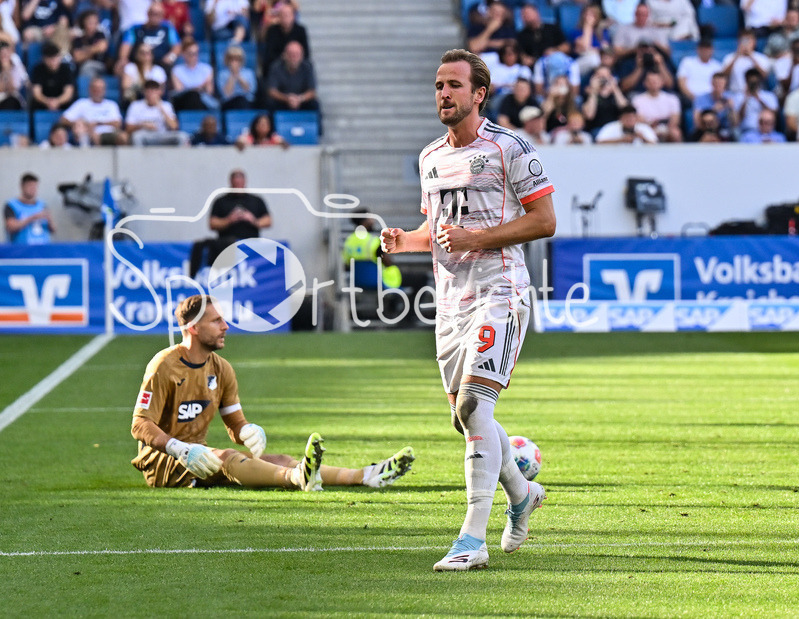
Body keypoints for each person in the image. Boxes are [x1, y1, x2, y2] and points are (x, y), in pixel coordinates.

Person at [380, 49, 553, 572]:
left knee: (475, 409)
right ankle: (522, 494)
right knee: (465, 418)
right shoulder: (430, 156)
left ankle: (470, 539)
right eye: (438, 85)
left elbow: (544, 220)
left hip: (501, 289)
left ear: (479, 94)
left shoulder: (509, 148)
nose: (444, 94)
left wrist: (479, 236)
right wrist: (405, 241)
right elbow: (437, 230)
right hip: (450, 303)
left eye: (454, 85)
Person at [131, 294, 416, 490]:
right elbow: (140, 424)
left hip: (199, 454)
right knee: (228, 457)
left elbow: (235, 424)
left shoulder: (221, 368)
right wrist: (178, 448)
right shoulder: (164, 366)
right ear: (192, 328)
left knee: (276, 460)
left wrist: (247, 431)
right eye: (216, 321)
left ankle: (364, 476)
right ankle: (296, 479)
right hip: (165, 463)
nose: (225, 326)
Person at [189, 169, 272, 277]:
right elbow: (212, 223)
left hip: (251, 245)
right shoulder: (221, 201)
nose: (238, 185)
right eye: (235, 183)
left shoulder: (256, 200)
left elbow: (268, 221)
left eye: (240, 182)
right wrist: (229, 220)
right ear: (231, 182)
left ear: (245, 182)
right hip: (227, 244)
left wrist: (252, 220)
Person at [60, 76, 127, 146]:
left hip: (110, 133)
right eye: (95, 88)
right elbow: (64, 120)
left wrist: (98, 123)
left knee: (123, 137)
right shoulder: (81, 103)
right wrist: (81, 124)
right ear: (90, 89)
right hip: (89, 133)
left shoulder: (112, 105)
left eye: (100, 89)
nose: (98, 91)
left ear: (104, 90)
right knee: (92, 136)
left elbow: (117, 123)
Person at [125, 80, 189, 146]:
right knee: (136, 137)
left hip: (163, 135)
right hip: (145, 136)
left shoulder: (166, 105)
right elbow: (128, 129)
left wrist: (161, 108)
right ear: (144, 92)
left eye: (153, 92)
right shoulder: (135, 105)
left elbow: (174, 127)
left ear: (159, 92)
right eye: (148, 92)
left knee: (182, 137)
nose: (151, 95)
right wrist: (142, 125)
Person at [265, 41, 319, 111]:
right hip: (282, 100)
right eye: (291, 54)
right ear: (284, 55)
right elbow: (272, 91)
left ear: (302, 56)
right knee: (270, 104)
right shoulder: (276, 67)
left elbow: (312, 91)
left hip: (301, 100)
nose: (294, 58)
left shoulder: (307, 67)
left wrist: (300, 99)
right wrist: (287, 98)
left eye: (297, 55)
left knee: (314, 105)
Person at [4, 172, 55, 244]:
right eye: (30, 186)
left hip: (43, 250)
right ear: (22, 186)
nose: (33, 189)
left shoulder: (42, 205)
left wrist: (49, 220)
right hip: (22, 251)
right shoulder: (12, 205)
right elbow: (11, 227)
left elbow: (53, 230)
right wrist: (32, 218)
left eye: (35, 186)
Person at [29, 41, 74, 111]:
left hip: (63, 104)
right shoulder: (38, 69)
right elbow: (36, 92)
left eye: (55, 58)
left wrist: (57, 102)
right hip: (42, 104)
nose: (53, 61)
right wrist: (47, 102)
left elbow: (68, 92)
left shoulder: (66, 69)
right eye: (50, 59)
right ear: (44, 59)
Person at [595, 104, 660, 143]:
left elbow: (655, 145)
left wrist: (643, 138)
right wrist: (621, 140)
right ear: (620, 118)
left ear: (636, 118)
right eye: (627, 118)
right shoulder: (610, 127)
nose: (630, 120)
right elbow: (599, 143)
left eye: (632, 118)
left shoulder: (644, 128)